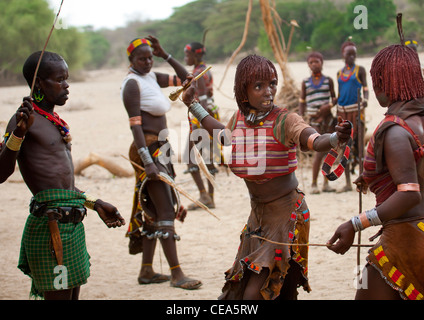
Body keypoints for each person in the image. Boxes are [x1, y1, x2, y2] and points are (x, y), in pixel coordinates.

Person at [181, 54, 352, 300]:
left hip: (286, 216)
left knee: (255, 295)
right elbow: (222, 135)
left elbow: (312, 139)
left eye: (272, 83)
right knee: (244, 294)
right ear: (243, 90)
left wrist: (335, 138)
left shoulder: (285, 120)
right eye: (259, 86)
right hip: (257, 219)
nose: (268, 91)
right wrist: (192, 103)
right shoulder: (239, 119)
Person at [0, 51, 125, 300]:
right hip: (51, 227)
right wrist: (18, 134)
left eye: (66, 78)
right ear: (39, 84)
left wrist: (95, 203)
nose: (67, 86)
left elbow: (62, 186)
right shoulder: (23, 120)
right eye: (59, 79)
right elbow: (1, 173)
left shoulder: (53, 120)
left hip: (72, 225)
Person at [327, 43, 424, 300]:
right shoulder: (418, 121)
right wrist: (373, 178)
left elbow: (410, 193)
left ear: (382, 84)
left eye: (376, 82)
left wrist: (355, 223)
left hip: (405, 241)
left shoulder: (395, 131)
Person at [121, 36, 202, 290]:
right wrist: (148, 162)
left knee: (153, 211)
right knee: (166, 210)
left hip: (160, 149)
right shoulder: (132, 85)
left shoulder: (152, 77)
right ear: (131, 61)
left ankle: (146, 271)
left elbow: (188, 79)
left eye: (149, 57)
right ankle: (177, 274)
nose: (146, 62)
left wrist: (165, 54)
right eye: (141, 59)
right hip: (148, 151)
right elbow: (135, 127)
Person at [183, 42, 222, 209]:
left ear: (196, 55)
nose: (186, 58)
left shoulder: (199, 74)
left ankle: (204, 196)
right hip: (207, 116)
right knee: (207, 158)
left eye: (187, 54)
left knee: (190, 158)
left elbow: (204, 100)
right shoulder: (204, 71)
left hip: (201, 118)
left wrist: (203, 122)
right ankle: (209, 197)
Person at [299, 51, 337, 194]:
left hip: (327, 120)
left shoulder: (328, 80)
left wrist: (328, 107)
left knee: (329, 151)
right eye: (311, 62)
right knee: (319, 151)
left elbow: (334, 98)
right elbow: (302, 102)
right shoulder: (306, 82)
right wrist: (301, 118)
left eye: (317, 61)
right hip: (314, 121)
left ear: (322, 63)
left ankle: (325, 184)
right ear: (308, 65)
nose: (314, 64)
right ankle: (314, 184)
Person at [336, 40, 369, 192]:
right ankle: (348, 182)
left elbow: (366, 89)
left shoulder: (360, 70)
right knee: (345, 146)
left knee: (360, 146)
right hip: (342, 111)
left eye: (354, 54)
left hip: (357, 111)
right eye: (349, 54)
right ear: (343, 55)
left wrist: (366, 100)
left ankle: (363, 180)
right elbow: (339, 94)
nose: (352, 57)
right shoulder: (339, 73)